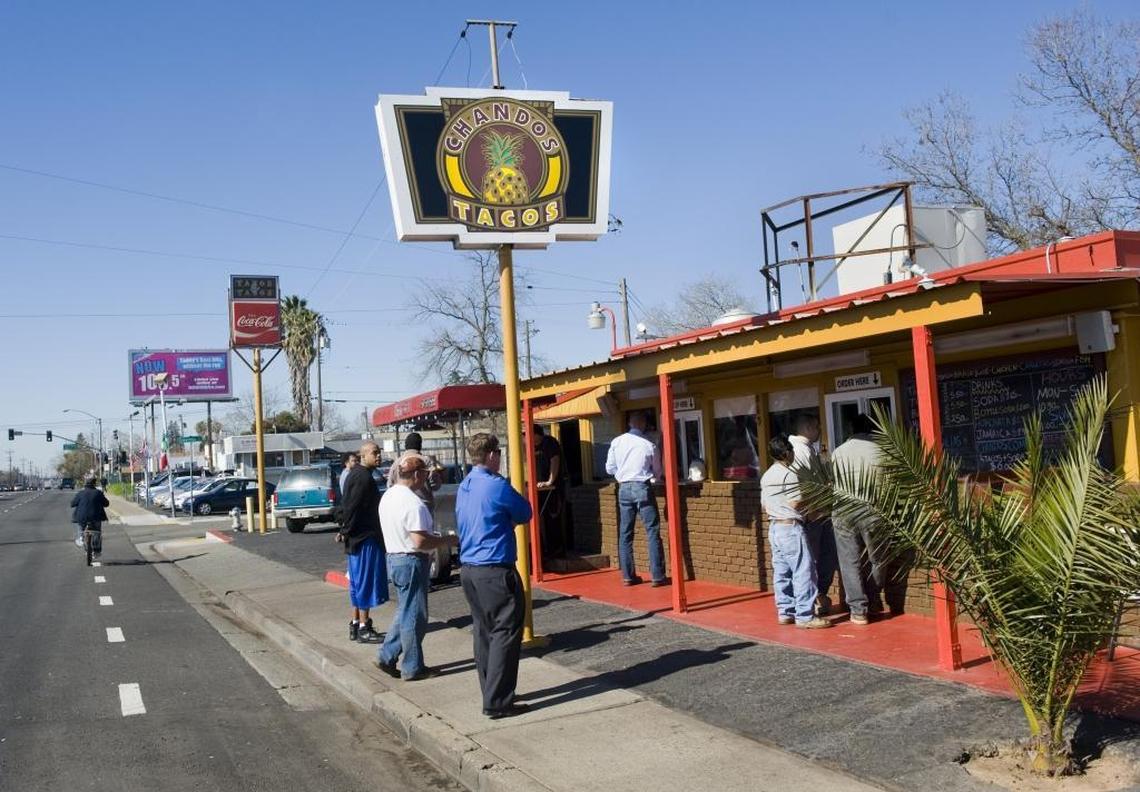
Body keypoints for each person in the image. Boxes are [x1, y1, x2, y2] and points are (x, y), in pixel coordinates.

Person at [456, 433, 533, 719]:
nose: (499, 457)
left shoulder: (466, 485)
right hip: (495, 568)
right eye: (498, 452)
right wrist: (508, 521)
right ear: (490, 455)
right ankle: (498, 700)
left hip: (470, 569)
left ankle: (490, 689)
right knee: (504, 631)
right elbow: (525, 512)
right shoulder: (496, 485)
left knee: (484, 631)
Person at [375, 452, 458, 681]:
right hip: (411, 559)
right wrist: (446, 541)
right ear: (417, 475)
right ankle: (412, 666)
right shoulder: (413, 503)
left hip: (394, 556)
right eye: (425, 474)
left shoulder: (389, 496)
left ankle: (387, 655)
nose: (427, 478)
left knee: (405, 611)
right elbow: (420, 541)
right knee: (415, 616)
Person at [761, 437, 831, 629]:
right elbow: (795, 502)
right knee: (803, 571)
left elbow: (765, 505)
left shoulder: (766, 476)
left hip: (774, 527)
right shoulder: (789, 474)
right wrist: (815, 510)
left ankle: (785, 611)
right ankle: (804, 615)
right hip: (790, 527)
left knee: (781, 571)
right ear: (787, 453)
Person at [830, 413, 888, 626]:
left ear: (851, 431)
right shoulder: (882, 452)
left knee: (849, 562)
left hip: (843, 510)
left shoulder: (838, 452)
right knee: (878, 558)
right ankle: (873, 598)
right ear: (873, 430)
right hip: (873, 509)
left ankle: (858, 610)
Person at [604, 411, 667, 586]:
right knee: (652, 531)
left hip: (623, 488)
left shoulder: (617, 442)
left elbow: (609, 468)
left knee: (625, 534)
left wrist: (622, 474)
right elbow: (658, 472)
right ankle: (657, 576)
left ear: (630, 424)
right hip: (642, 487)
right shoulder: (649, 444)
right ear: (644, 424)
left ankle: (628, 576)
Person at [337, 441, 387, 643]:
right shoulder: (362, 477)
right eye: (374, 453)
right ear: (363, 455)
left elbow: (347, 507)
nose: (378, 456)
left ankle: (356, 623)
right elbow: (352, 508)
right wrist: (345, 530)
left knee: (357, 583)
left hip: (357, 538)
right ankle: (365, 627)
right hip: (364, 538)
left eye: (379, 452)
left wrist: (345, 531)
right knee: (364, 583)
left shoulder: (357, 474)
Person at [789, 414, 837, 616]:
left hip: (819, 514)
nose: (819, 431)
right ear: (808, 428)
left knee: (824, 558)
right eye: (817, 427)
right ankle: (812, 600)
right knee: (815, 560)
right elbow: (805, 485)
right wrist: (813, 511)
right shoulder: (800, 451)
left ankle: (818, 595)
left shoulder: (809, 449)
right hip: (813, 515)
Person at [532, 424, 567, 558]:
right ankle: (543, 549)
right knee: (539, 519)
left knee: (552, 518)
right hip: (538, 488)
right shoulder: (530, 446)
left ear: (536, 434)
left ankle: (557, 550)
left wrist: (550, 481)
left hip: (553, 489)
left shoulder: (549, 443)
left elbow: (555, 461)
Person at [70, 479, 109, 557]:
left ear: (85, 485)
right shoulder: (98, 493)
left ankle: (81, 537)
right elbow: (106, 504)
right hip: (96, 517)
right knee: (97, 532)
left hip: (82, 517)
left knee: (81, 526)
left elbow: (72, 504)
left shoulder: (80, 493)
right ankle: (97, 551)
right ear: (94, 485)